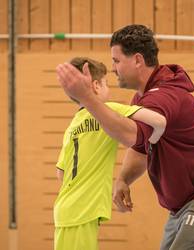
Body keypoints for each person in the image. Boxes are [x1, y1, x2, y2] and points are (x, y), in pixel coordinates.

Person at [56, 25, 194, 250]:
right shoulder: (143, 99)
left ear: (137, 60)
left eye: (117, 61)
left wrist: (88, 99)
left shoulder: (164, 97)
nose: (113, 69)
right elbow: (140, 147)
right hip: (187, 202)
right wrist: (124, 179)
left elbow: (131, 135)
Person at [54, 56, 166, 250]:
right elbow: (159, 121)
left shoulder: (72, 126)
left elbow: (61, 174)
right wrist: (153, 140)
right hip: (82, 210)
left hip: (68, 209)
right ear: (96, 85)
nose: (109, 88)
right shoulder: (111, 109)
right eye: (106, 83)